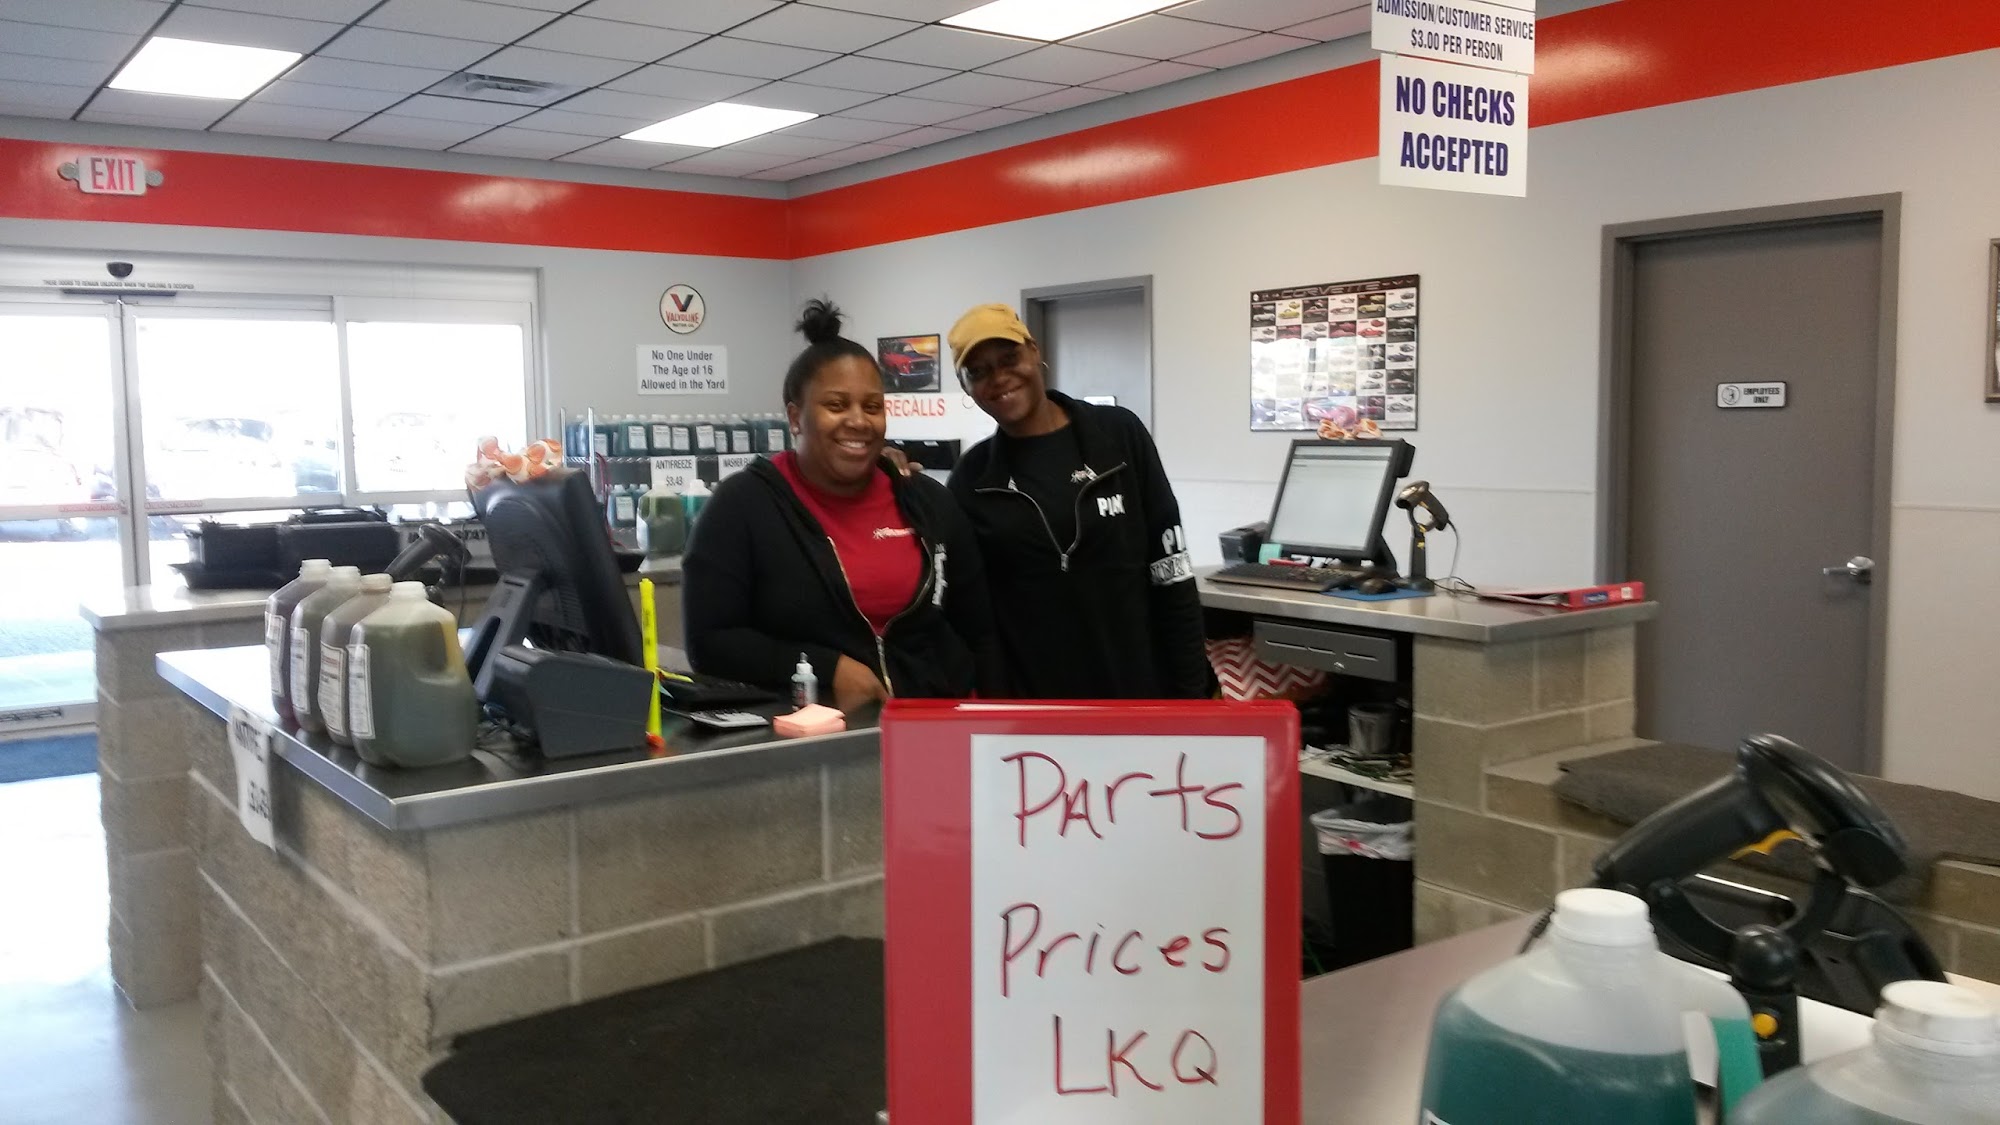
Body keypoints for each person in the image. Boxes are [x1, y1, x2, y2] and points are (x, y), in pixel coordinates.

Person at [683, 299, 1004, 711]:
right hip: (814, 732)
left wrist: (994, 723)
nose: (858, 421)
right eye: (836, 405)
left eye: (872, 406)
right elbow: (710, 642)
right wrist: (822, 667)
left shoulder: (929, 502)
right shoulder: (742, 506)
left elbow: (979, 632)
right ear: (795, 417)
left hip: (934, 724)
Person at [945, 302, 1213, 699]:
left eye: (1009, 358)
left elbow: (1171, 570)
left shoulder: (1118, 436)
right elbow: (972, 617)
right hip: (1036, 710)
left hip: (1141, 695)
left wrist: (1193, 691)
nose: (999, 378)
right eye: (978, 372)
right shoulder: (972, 480)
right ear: (966, 387)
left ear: (1034, 351)